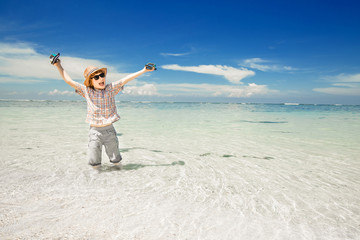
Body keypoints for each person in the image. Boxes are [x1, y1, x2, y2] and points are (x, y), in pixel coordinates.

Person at [53, 58, 155, 169]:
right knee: (95, 164)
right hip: (94, 132)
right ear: (90, 81)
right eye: (96, 77)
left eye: (102, 75)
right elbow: (69, 81)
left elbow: (126, 79)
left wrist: (144, 70)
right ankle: (96, 182)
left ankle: (120, 178)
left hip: (109, 131)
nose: (101, 78)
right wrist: (58, 65)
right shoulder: (87, 91)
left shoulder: (110, 89)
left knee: (116, 162)